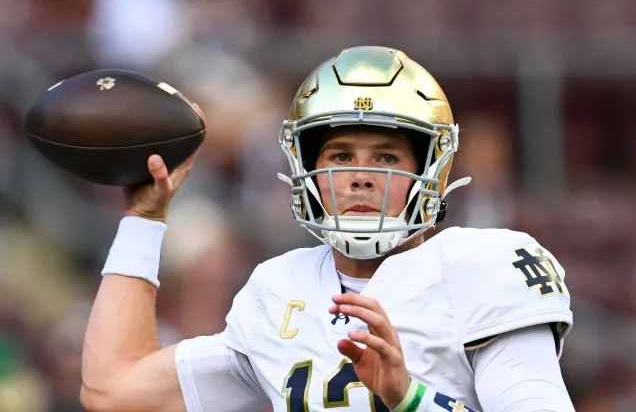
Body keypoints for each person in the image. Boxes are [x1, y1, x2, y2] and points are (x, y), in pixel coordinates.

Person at [80, 46, 575, 412]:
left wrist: (409, 398)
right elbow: (115, 392)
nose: (361, 175)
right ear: (306, 170)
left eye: (386, 157)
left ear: (431, 170)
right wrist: (143, 221)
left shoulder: (482, 268)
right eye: (340, 156)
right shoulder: (277, 290)